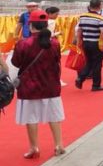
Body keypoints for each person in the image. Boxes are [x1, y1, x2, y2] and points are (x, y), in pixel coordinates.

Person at [12, 9, 65, 158]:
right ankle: (59, 144)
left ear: (30, 25)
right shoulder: (54, 43)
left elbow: (16, 62)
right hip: (50, 85)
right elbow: (57, 60)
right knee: (54, 116)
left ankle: (34, 147)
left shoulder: (23, 44)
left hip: (29, 86)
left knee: (31, 118)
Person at [75, 0, 103, 91]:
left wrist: (79, 41)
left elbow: (79, 30)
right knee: (97, 64)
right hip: (96, 43)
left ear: (90, 6)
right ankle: (96, 85)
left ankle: (80, 78)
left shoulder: (82, 17)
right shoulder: (100, 19)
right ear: (99, 6)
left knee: (89, 62)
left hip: (86, 42)